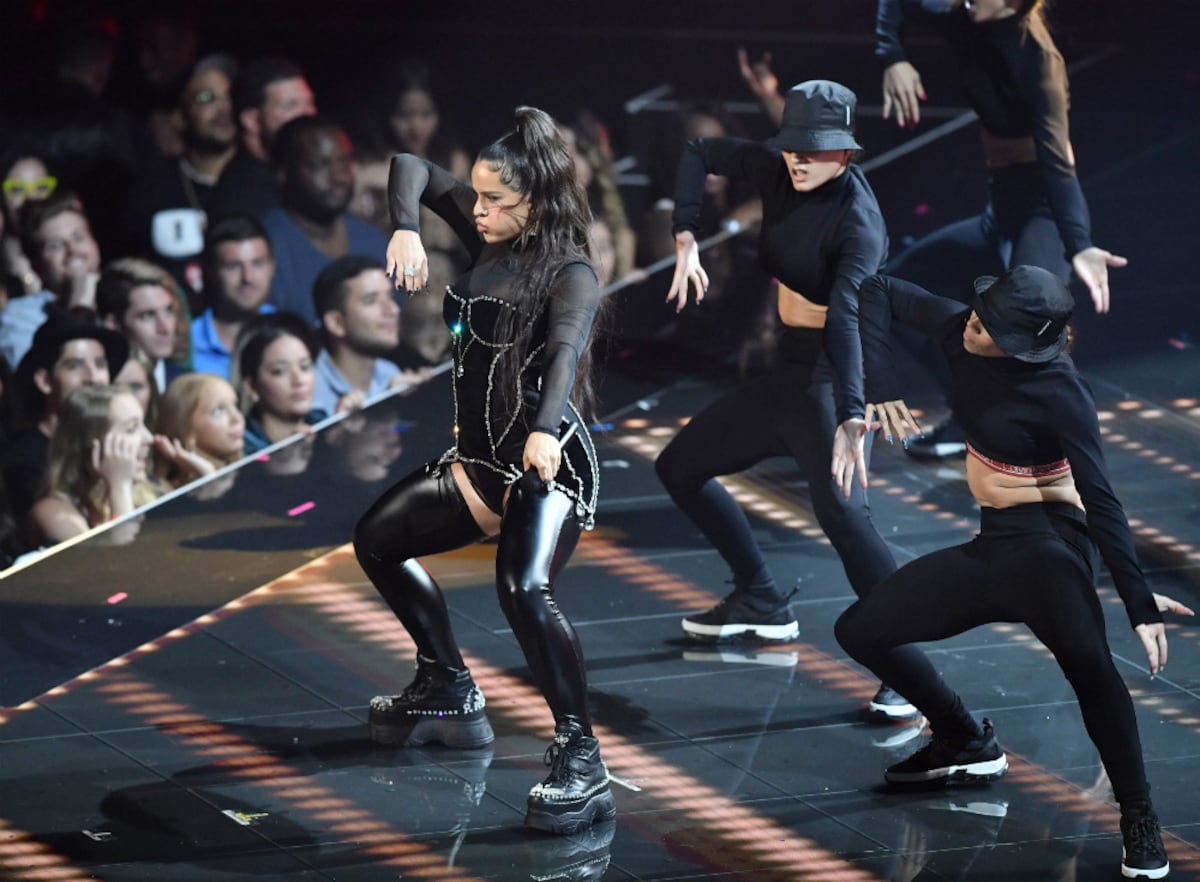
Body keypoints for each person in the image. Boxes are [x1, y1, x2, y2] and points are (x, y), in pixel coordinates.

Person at [831, 266, 1191, 881]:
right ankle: (963, 740)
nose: (973, 325)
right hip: (994, 539)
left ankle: (1139, 816)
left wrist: (1137, 601)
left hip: (1051, 542)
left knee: (1090, 667)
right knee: (859, 630)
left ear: (1024, 345)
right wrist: (878, 386)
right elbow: (877, 289)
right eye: (979, 311)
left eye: (991, 326)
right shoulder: (961, 330)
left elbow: (1101, 499)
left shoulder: (1061, 389)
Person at [355, 106, 610, 835]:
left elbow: (564, 354)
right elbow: (410, 166)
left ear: (536, 202)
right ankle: (447, 684)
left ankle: (582, 756)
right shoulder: (488, 236)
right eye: (478, 195)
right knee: (377, 541)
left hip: (546, 465)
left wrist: (543, 433)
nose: (479, 210)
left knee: (523, 589)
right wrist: (405, 227)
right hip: (478, 463)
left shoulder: (570, 272)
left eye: (496, 200)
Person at [658, 80, 920, 721]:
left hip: (831, 374)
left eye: (816, 148)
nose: (799, 158)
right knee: (680, 467)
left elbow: (846, 320)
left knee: (846, 521)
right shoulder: (778, 171)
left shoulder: (859, 222)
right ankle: (760, 598)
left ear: (847, 154)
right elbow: (697, 151)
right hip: (787, 372)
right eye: (793, 145)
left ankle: (906, 666)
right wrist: (685, 235)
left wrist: (853, 413)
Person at [874, 0, 1127, 458]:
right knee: (889, 294)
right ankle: (971, 417)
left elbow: (1057, 164)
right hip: (1000, 208)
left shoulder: (1037, 59)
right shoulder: (965, 18)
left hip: (1043, 210)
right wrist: (892, 57)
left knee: (1024, 329)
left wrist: (1079, 244)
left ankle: (1049, 448)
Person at [1, 310, 127, 522]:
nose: (93, 378)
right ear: (45, 381)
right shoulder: (23, 463)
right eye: (75, 366)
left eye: (100, 364)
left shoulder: (114, 443)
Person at [260, 115, 388, 324]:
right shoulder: (264, 248)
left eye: (343, 162)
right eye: (320, 165)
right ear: (284, 172)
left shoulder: (374, 243)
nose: (338, 177)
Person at [27, 384, 157, 546]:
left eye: (143, 424)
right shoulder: (53, 512)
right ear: (91, 444)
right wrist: (119, 487)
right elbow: (129, 557)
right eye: (131, 429)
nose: (149, 438)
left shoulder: (145, 491)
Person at [0, 192, 102, 370]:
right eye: (55, 245)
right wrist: (79, 310)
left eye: (79, 237)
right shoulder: (20, 317)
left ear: (95, 244)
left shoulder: (124, 293)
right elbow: (31, 377)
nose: (72, 250)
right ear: (36, 265)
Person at [207, 58, 317, 222]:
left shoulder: (298, 174)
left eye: (309, 103)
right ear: (251, 120)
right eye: (290, 106)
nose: (307, 114)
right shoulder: (241, 198)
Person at [310, 254, 408, 414]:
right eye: (371, 301)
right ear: (336, 323)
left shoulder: (389, 372)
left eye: (390, 296)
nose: (393, 310)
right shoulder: (307, 392)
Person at [190, 215, 277, 378]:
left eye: (257, 263)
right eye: (233, 266)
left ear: (272, 266)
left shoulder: (291, 332)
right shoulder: (186, 344)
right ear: (210, 271)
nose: (248, 278)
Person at [233, 311, 327, 454]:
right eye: (279, 371)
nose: (299, 380)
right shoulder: (240, 447)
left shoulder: (324, 424)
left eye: (305, 367)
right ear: (252, 386)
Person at [95, 257, 183, 390]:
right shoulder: (100, 387)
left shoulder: (188, 385)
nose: (165, 328)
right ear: (113, 323)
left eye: (169, 311)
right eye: (147, 316)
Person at [155, 372, 246, 486]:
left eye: (235, 405)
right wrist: (208, 475)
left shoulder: (250, 472)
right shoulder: (167, 492)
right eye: (218, 411)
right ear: (187, 429)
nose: (237, 418)